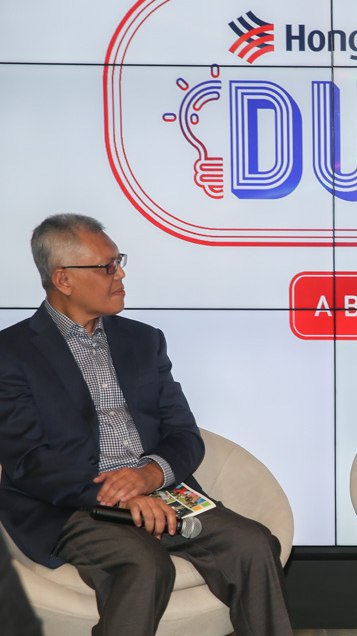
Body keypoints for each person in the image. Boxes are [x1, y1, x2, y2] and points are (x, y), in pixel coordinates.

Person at [0, 214, 293, 635]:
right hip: (71, 503)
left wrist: (150, 473)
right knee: (143, 563)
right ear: (63, 279)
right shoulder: (12, 353)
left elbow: (184, 434)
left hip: (161, 489)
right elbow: (29, 461)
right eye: (106, 267)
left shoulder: (143, 340)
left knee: (254, 544)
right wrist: (116, 495)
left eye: (118, 261)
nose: (120, 275)